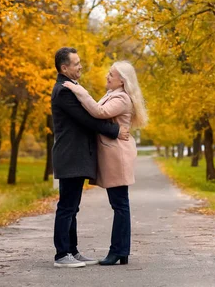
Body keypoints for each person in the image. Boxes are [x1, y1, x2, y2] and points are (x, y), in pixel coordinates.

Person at [63, 60, 148, 266]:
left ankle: (118, 250)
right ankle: (121, 250)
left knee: (120, 204)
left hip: (117, 156)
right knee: (119, 204)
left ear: (122, 81)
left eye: (111, 74)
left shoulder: (121, 98)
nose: (107, 77)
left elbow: (99, 113)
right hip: (113, 154)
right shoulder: (113, 95)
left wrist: (78, 90)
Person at [51, 47, 130, 268]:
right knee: (67, 206)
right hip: (70, 155)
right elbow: (87, 119)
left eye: (80, 62)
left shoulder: (71, 87)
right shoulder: (64, 91)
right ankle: (61, 255)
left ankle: (72, 251)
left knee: (72, 207)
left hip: (76, 156)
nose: (80, 66)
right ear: (64, 68)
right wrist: (115, 131)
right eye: (76, 64)